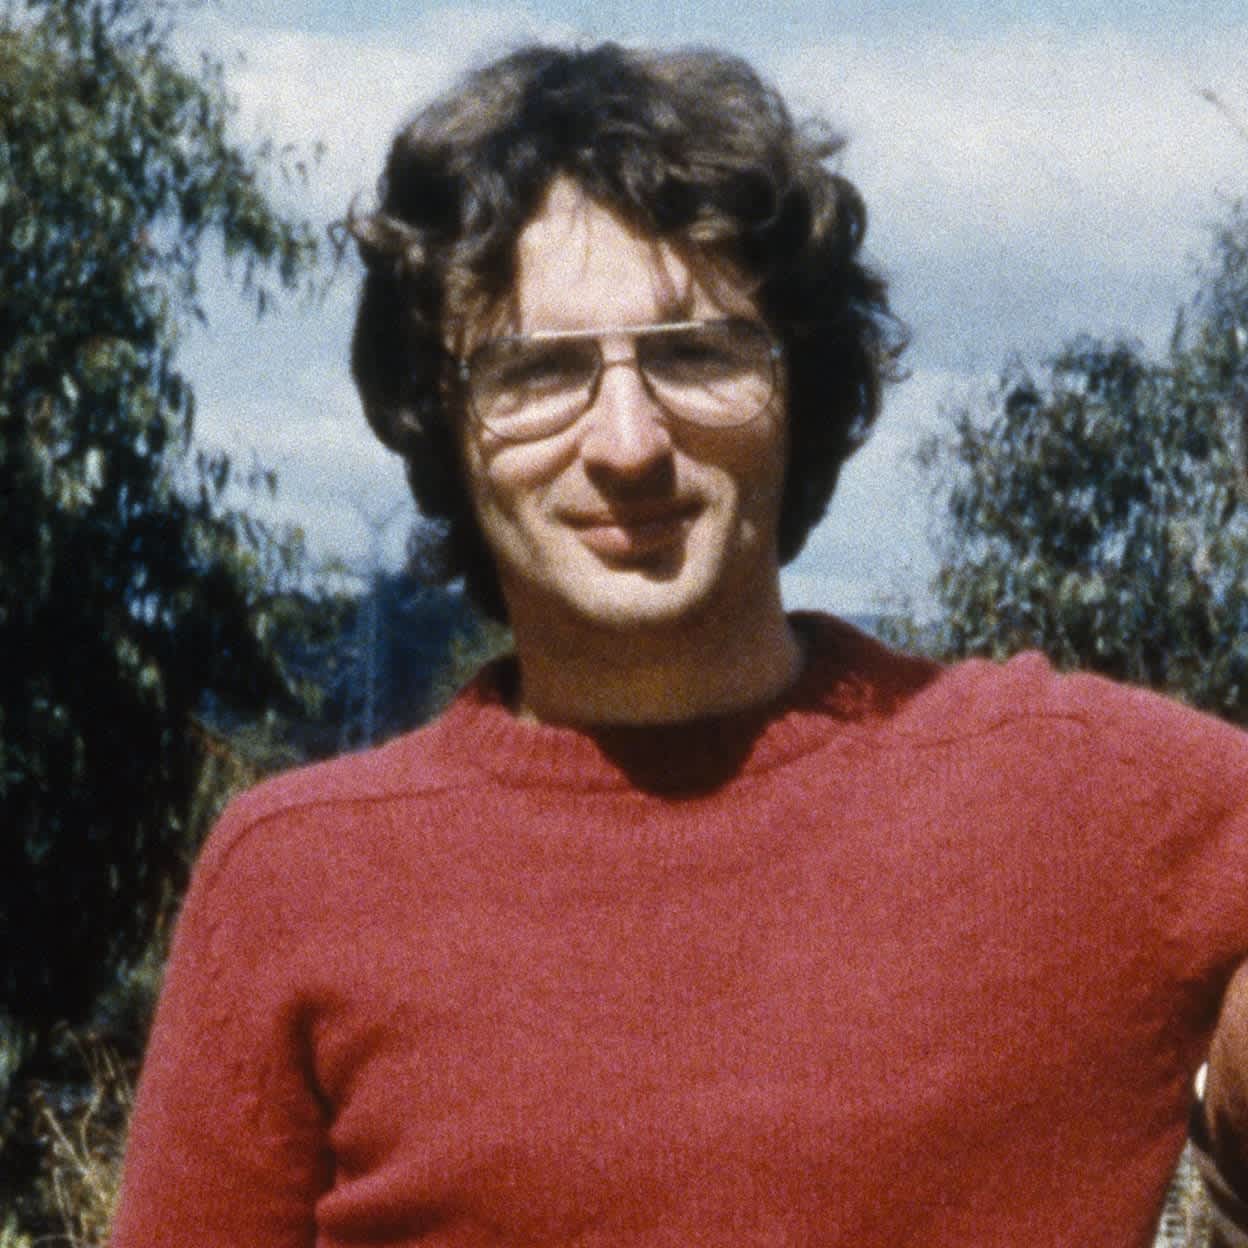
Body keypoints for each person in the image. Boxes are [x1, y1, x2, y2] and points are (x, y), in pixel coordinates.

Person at [110, 42, 1248, 1248]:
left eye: (698, 355)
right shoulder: (294, 885)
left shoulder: (1076, 793)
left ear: (802, 391)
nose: (627, 442)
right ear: (441, 419)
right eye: (537, 371)